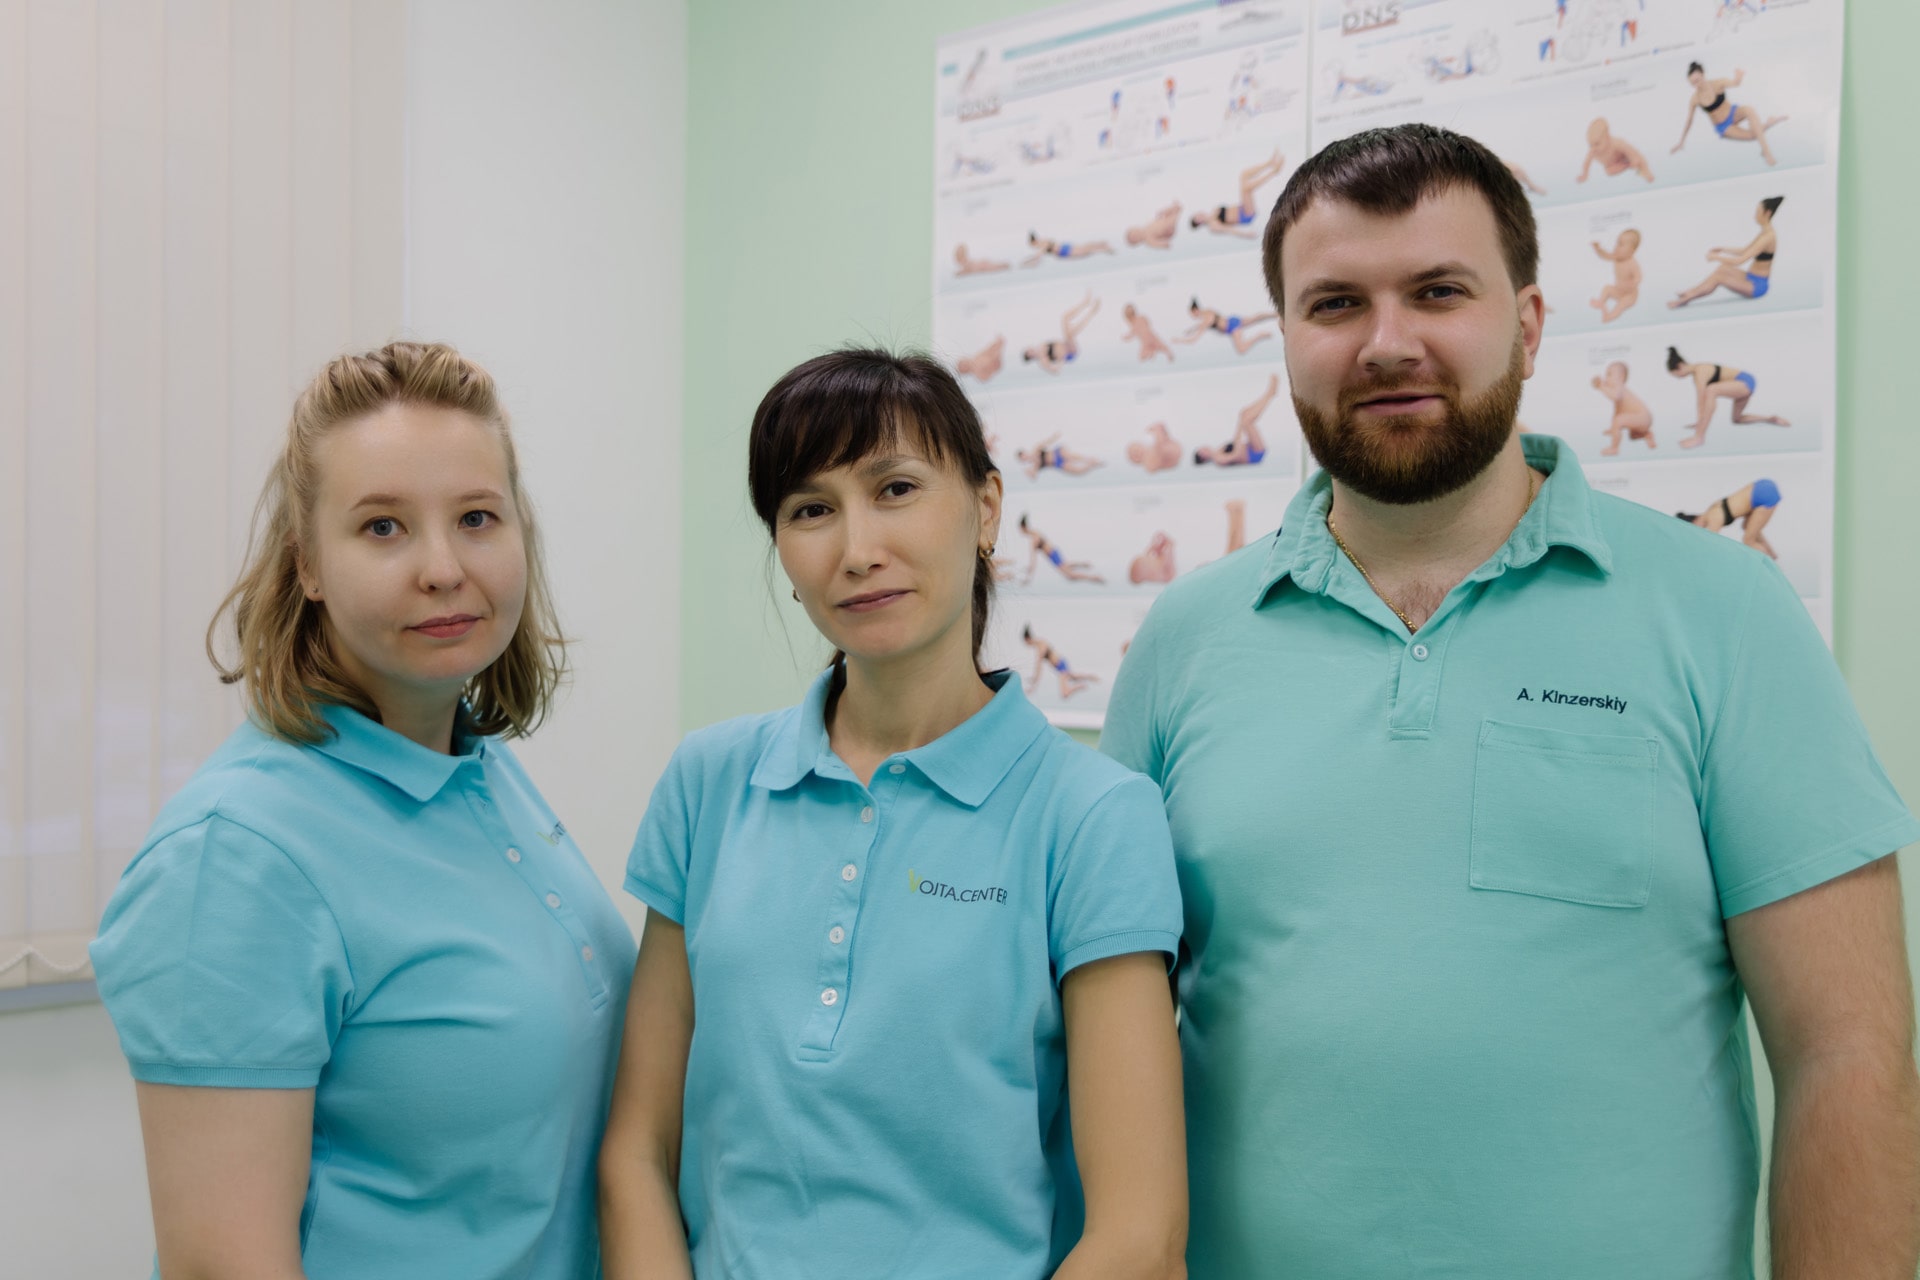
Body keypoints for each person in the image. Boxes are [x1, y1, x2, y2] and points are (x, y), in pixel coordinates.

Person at [1103, 123, 1920, 1279]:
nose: (1389, 342)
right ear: (1284, 337)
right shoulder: (1183, 640)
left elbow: (1848, 1053)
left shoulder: (1725, 610)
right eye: (1335, 304)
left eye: (1438, 291)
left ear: (1529, 324)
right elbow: (1107, 1035)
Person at [598, 349, 1187, 1280]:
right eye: (811, 509)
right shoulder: (707, 782)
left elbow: (1139, 1238)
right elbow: (638, 1150)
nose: (857, 548)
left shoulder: (1094, 818)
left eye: (896, 489)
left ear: (985, 508)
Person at [88, 342, 636, 1280]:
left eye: (476, 518)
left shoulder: (476, 765)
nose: (443, 567)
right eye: (383, 527)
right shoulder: (234, 857)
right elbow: (223, 1267)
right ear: (306, 565)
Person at [1669, 196, 1783, 308]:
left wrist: (1715, 257)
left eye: (1758, 212)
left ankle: (1686, 299)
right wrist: (1723, 249)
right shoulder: (1764, 233)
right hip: (1751, 277)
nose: (1755, 216)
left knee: (1719, 278)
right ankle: (1690, 292)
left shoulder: (1768, 237)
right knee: (1722, 268)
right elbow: (1744, 250)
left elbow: (1739, 261)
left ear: (1767, 213)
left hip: (1758, 286)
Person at [1667, 345, 1789, 448]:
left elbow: (1701, 400)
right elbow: (1701, 402)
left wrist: (1700, 426)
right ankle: (1770, 419)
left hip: (1745, 381)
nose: (1678, 378)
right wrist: (1699, 421)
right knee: (1737, 419)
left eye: (1676, 374)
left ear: (1680, 366)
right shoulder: (1697, 374)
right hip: (1741, 385)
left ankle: (1699, 437)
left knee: (1711, 390)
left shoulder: (1700, 372)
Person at [1673, 63, 1786, 166]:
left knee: (1749, 110)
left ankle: (1767, 153)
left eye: (1697, 80)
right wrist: (1681, 141)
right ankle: (1769, 123)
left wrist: (1738, 77)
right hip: (1724, 126)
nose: (1696, 85)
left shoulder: (1717, 83)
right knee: (1753, 135)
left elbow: (1734, 83)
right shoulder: (1695, 99)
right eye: (1693, 83)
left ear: (1703, 75)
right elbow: (1689, 120)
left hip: (1733, 113)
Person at [1190, 152, 1286, 237]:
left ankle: (1270, 163)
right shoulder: (1213, 225)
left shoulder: (1213, 212)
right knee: (1246, 188)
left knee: (1243, 175)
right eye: (1197, 217)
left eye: (1197, 214)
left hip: (1242, 207)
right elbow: (1229, 230)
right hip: (1245, 215)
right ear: (1199, 222)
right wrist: (1246, 234)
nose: (1199, 214)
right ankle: (1274, 171)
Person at [1679, 478, 1781, 558]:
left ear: (1695, 522)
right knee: (1747, 527)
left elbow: (1710, 544)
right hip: (1759, 488)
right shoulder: (1710, 511)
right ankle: (1772, 555)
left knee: (1748, 541)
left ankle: (1771, 566)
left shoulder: (1712, 518)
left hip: (1763, 494)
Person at [1195, 373, 1279, 466]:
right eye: (1201, 450)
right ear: (1203, 456)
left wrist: (1239, 425)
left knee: (1243, 414)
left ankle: (1269, 394)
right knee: (1247, 421)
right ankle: (1270, 393)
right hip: (1254, 453)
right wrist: (1240, 427)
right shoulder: (1218, 460)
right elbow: (1236, 455)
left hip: (1250, 447)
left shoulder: (1218, 451)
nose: (1203, 448)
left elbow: (1235, 443)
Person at [1023, 293, 1102, 373]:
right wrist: (1062, 359)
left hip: (1066, 344)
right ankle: (1088, 307)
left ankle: (1087, 306)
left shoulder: (1041, 346)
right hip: (1070, 353)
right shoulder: (1042, 361)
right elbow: (1055, 371)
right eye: (1030, 353)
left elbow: (1055, 342)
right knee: (1067, 324)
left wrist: (1064, 343)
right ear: (1031, 357)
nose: (1031, 351)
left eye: (1029, 350)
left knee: (1066, 321)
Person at [1019, 512, 1105, 584]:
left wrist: (1028, 578)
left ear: (1024, 527)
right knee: (1066, 567)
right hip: (1054, 552)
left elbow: (1033, 560)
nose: (1020, 532)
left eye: (1020, 530)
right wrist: (1029, 569)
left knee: (1070, 576)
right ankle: (1082, 564)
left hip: (1052, 555)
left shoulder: (1034, 539)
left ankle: (1094, 578)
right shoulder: (1036, 532)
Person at [1174, 296, 1276, 355]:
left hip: (1232, 327)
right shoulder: (1206, 312)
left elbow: (1194, 339)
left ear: (1195, 310)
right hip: (1231, 320)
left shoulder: (1206, 319)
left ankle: (1261, 335)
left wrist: (1180, 341)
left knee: (1241, 350)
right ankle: (1274, 314)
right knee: (1254, 318)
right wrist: (1191, 330)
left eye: (1192, 313)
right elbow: (1201, 325)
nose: (1192, 316)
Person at [1022, 625, 1102, 699]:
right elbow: (1039, 666)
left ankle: (1080, 686)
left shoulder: (1041, 645)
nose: (1026, 644)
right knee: (1073, 677)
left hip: (1061, 666)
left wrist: (1034, 685)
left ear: (1027, 639)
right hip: (1060, 665)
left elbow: (1039, 666)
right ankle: (1091, 677)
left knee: (1065, 694)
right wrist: (1034, 680)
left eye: (1025, 642)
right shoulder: (1039, 645)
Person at [1592, 359, 1654, 454]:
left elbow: (1615, 396)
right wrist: (1613, 428)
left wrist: (1601, 386)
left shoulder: (1619, 387)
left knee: (1619, 420)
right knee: (1632, 435)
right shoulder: (1620, 390)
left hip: (1642, 417)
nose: (1606, 378)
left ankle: (1614, 448)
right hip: (1642, 420)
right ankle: (1646, 434)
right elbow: (1617, 411)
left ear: (1621, 377)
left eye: (1609, 374)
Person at [1577, 116, 1655, 183]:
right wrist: (1584, 174)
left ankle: (1647, 173)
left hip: (1624, 154)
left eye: (1597, 144)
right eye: (1590, 145)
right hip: (1614, 163)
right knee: (1609, 171)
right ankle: (1627, 165)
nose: (1593, 148)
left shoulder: (1616, 143)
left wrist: (1633, 159)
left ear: (1607, 137)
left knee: (1637, 159)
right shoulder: (1593, 151)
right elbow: (1586, 163)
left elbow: (1628, 150)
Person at [1587, 227, 1642, 322]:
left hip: (1630, 295)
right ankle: (1601, 302)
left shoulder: (1632, 263)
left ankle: (1609, 316)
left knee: (1622, 303)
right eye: (1617, 243)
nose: (1616, 247)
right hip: (1618, 291)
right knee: (1607, 288)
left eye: (1621, 244)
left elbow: (1639, 276)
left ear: (1632, 250)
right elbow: (1605, 256)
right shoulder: (1617, 257)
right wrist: (1598, 249)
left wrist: (1634, 283)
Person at [1018, 432, 1105, 479]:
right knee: (1078, 472)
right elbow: (1034, 476)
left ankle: (1092, 459)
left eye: (1024, 456)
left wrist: (1055, 437)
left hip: (1057, 453)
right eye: (1023, 459)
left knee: (1076, 458)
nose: (1026, 458)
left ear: (1025, 453)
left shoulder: (1036, 449)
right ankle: (1092, 465)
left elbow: (1046, 442)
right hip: (1057, 463)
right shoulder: (1035, 466)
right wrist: (1029, 473)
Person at [1023, 231, 1116, 267]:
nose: (1033, 247)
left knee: (1084, 252)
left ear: (1034, 241)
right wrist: (1030, 261)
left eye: (1032, 245)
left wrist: (1028, 262)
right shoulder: (1044, 240)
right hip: (1064, 247)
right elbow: (1039, 256)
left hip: (1063, 251)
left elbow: (1038, 255)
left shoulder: (1042, 243)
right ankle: (1102, 244)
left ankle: (1104, 248)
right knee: (1084, 248)